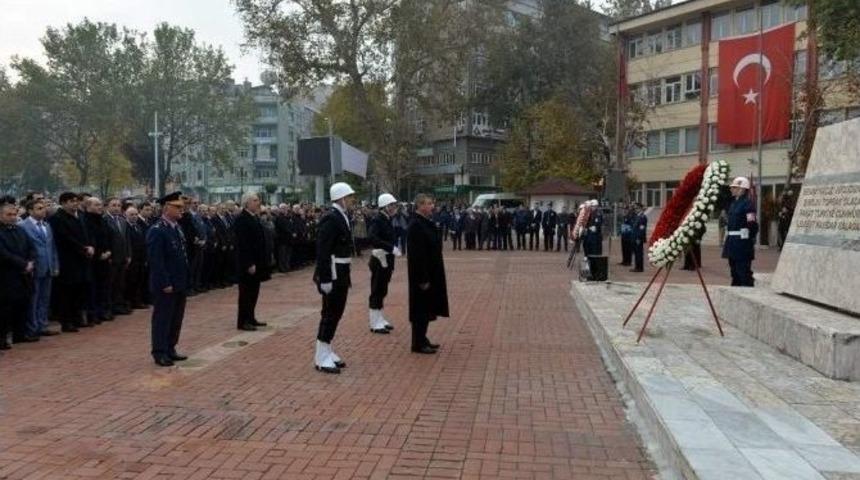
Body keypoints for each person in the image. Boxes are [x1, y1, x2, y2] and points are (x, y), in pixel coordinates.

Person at [313, 182, 356, 374]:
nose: (353, 200)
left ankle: (327, 349)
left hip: (341, 270)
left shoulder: (341, 215)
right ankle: (321, 356)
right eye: (350, 197)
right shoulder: (331, 218)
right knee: (330, 313)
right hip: (334, 271)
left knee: (336, 312)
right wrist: (325, 278)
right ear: (342, 198)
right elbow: (323, 250)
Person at [147, 192, 190, 367]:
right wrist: (165, 282)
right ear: (166, 208)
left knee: (176, 318)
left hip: (179, 281)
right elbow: (156, 261)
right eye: (177, 207)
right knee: (163, 318)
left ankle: (171, 347)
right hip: (166, 284)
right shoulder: (157, 230)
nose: (182, 209)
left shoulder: (176, 227)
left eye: (182, 206)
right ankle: (159, 351)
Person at [407, 194, 450, 354]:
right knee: (420, 309)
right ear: (420, 205)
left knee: (427, 307)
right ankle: (418, 343)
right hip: (422, 276)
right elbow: (417, 256)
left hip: (431, 272)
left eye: (433, 203)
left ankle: (422, 338)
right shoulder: (416, 225)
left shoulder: (425, 222)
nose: (433, 206)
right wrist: (422, 278)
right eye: (429, 203)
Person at [48, 192, 94, 332]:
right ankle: (66, 321)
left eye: (76, 201)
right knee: (67, 292)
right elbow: (64, 238)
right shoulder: (57, 218)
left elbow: (87, 234)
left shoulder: (80, 216)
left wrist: (90, 246)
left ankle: (77, 318)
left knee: (79, 290)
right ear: (63, 203)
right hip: (67, 260)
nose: (75, 203)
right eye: (71, 201)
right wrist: (83, 248)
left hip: (82, 258)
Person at [18, 199, 60, 338]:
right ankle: (32, 327)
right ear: (30, 211)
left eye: (43, 208)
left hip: (47, 267)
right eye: (39, 208)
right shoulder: (23, 226)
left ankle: (43, 324)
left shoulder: (47, 226)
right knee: (33, 299)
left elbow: (52, 247)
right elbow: (23, 249)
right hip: (33, 268)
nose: (43, 210)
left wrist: (54, 265)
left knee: (44, 298)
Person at [0, 196, 38, 348]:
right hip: (6, 276)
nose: (12, 217)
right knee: (5, 308)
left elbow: (31, 247)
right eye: (8, 215)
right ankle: (2, 338)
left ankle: (19, 334)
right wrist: (23, 264)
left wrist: (31, 261)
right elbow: (3, 254)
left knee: (22, 304)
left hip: (23, 275)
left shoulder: (20, 230)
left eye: (14, 214)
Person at [233, 193, 271, 331]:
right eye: (255, 200)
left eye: (258, 200)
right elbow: (243, 244)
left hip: (257, 261)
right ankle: (243, 321)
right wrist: (249, 263)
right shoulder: (241, 219)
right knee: (245, 293)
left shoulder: (254, 217)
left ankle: (251, 317)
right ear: (247, 203)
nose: (258, 202)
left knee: (254, 291)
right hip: (247, 264)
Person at [367, 193, 401, 334]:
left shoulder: (386, 219)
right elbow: (373, 237)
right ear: (385, 206)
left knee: (383, 289)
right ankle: (374, 322)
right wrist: (390, 247)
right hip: (380, 259)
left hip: (386, 259)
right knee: (377, 289)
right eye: (392, 205)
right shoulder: (378, 220)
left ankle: (380, 318)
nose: (394, 208)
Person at [722, 177, 758, 287]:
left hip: (742, 244)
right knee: (734, 272)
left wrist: (748, 238)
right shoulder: (734, 204)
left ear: (742, 189)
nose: (731, 189)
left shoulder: (748, 204)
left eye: (734, 187)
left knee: (743, 272)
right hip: (732, 242)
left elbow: (752, 224)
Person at [631, 203, 647, 273]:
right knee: (636, 252)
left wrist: (639, 238)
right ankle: (636, 266)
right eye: (635, 208)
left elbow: (642, 229)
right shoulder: (637, 216)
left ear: (640, 209)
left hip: (638, 238)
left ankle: (640, 267)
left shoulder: (643, 217)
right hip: (634, 237)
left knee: (639, 253)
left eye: (637, 208)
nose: (635, 210)